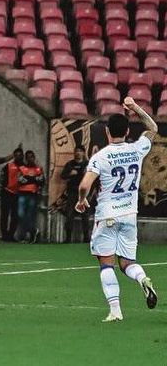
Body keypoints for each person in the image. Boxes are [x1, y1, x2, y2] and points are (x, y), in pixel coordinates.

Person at [75, 97, 158, 322]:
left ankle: (115, 310)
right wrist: (135, 108)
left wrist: (82, 200)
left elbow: (84, 185)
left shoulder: (101, 156)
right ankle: (142, 279)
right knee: (127, 263)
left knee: (106, 263)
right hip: (129, 214)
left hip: (107, 215)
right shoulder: (137, 148)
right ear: (127, 131)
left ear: (107, 133)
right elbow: (153, 128)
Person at [61, 145, 90, 243]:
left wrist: (87, 173)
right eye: (76, 151)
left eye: (80, 151)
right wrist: (70, 174)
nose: (78, 153)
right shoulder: (70, 164)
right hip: (72, 192)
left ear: (83, 153)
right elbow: (63, 176)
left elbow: (96, 176)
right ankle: (68, 238)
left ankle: (86, 238)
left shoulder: (87, 164)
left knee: (85, 216)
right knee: (69, 214)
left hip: (84, 193)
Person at [15, 150, 45, 243]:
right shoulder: (22, 168)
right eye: (28, 157)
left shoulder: (39, 169)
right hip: (22, 193)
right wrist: (34, 179)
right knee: (20, 214)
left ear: (34, 157)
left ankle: (30, 235)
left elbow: (41, 180)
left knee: (30, 215)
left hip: (33, 194)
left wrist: (28, 178)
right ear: (26, 158)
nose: (30, 159)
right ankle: (32, 232)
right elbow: (20, 180)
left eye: (31, 157)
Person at [0, 148, 24, 241]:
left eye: (20, 155)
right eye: (16, 155)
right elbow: (1, 178)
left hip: (18, 194)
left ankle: (11, 235)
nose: (18, 157)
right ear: (14, 156)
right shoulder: (8, 166)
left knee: (15, 216)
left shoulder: (25, 167)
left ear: (22, 156)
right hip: (7, 193)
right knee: (4, 215)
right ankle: (4, 235)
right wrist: (5, 186)